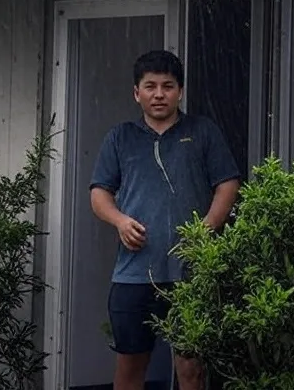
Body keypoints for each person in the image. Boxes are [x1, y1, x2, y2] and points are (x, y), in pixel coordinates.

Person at [89, 49, 241, 390]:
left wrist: (206, 228)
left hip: (192, 273)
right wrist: (120, 221)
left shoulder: (203, 131)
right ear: (136, 93)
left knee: (191, 368)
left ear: (180, 91)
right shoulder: (120, 137)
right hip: (133, 274)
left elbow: (228, 183)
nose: (159, 94)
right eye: (150, 86)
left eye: (168, 86)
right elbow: (99, 193)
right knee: (130, 368)